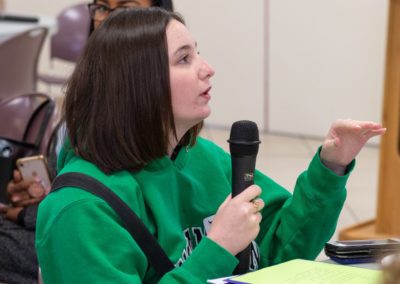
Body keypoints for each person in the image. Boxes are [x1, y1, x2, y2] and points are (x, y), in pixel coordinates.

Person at [35, 7, 386, 283]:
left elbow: (281, 254)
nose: (208, 69)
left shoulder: (201, 157)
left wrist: (330, 167)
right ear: (138, 83)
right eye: (184, 59)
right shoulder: (79, 210)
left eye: (198, 54)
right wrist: (217, 247)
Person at [0, 2, 174, 284]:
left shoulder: (142, 96)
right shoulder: (93, 86)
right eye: (102, 7)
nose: (107, 19)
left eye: (126, 8)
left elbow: (119, 203)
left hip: (107, 237)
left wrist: (29, 214)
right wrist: (36, 191)